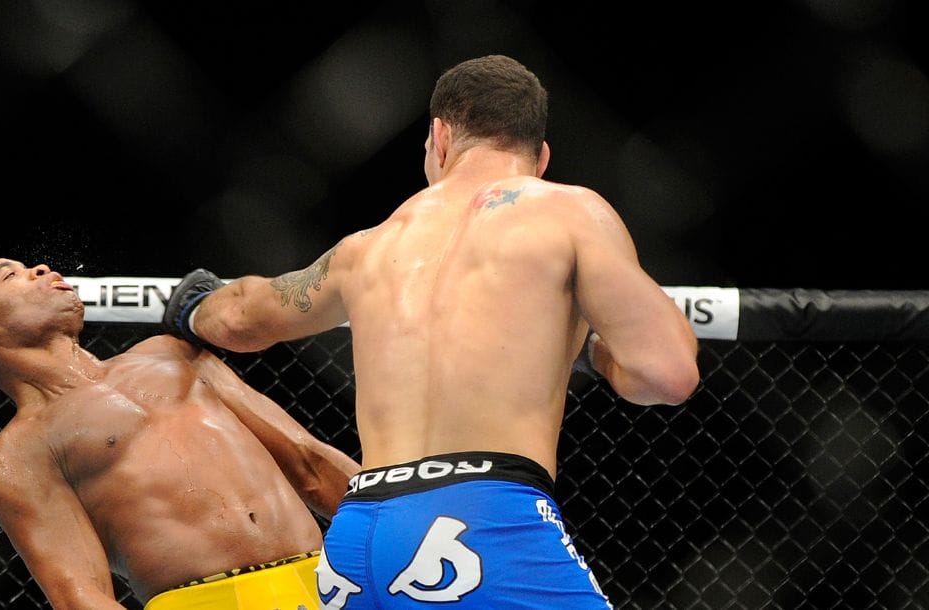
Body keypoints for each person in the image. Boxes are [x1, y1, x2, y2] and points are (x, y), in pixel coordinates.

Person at [163, 54, 700, 609]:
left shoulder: (366, 248)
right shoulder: (567, 211)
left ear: (438, 139)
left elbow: (242, 317)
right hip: (481, 525)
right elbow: (666, 373)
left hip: (359, 539)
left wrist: (192, 307)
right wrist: (593, 354)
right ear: (540, 158)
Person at [0, 258, 361, 610]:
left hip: (327, 582)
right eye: (12, 275)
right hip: (201, 601)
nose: (41, 269)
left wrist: (410, 526)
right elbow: (82, 595)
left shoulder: (173, 353)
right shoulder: (20, 452)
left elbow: (308, 461)